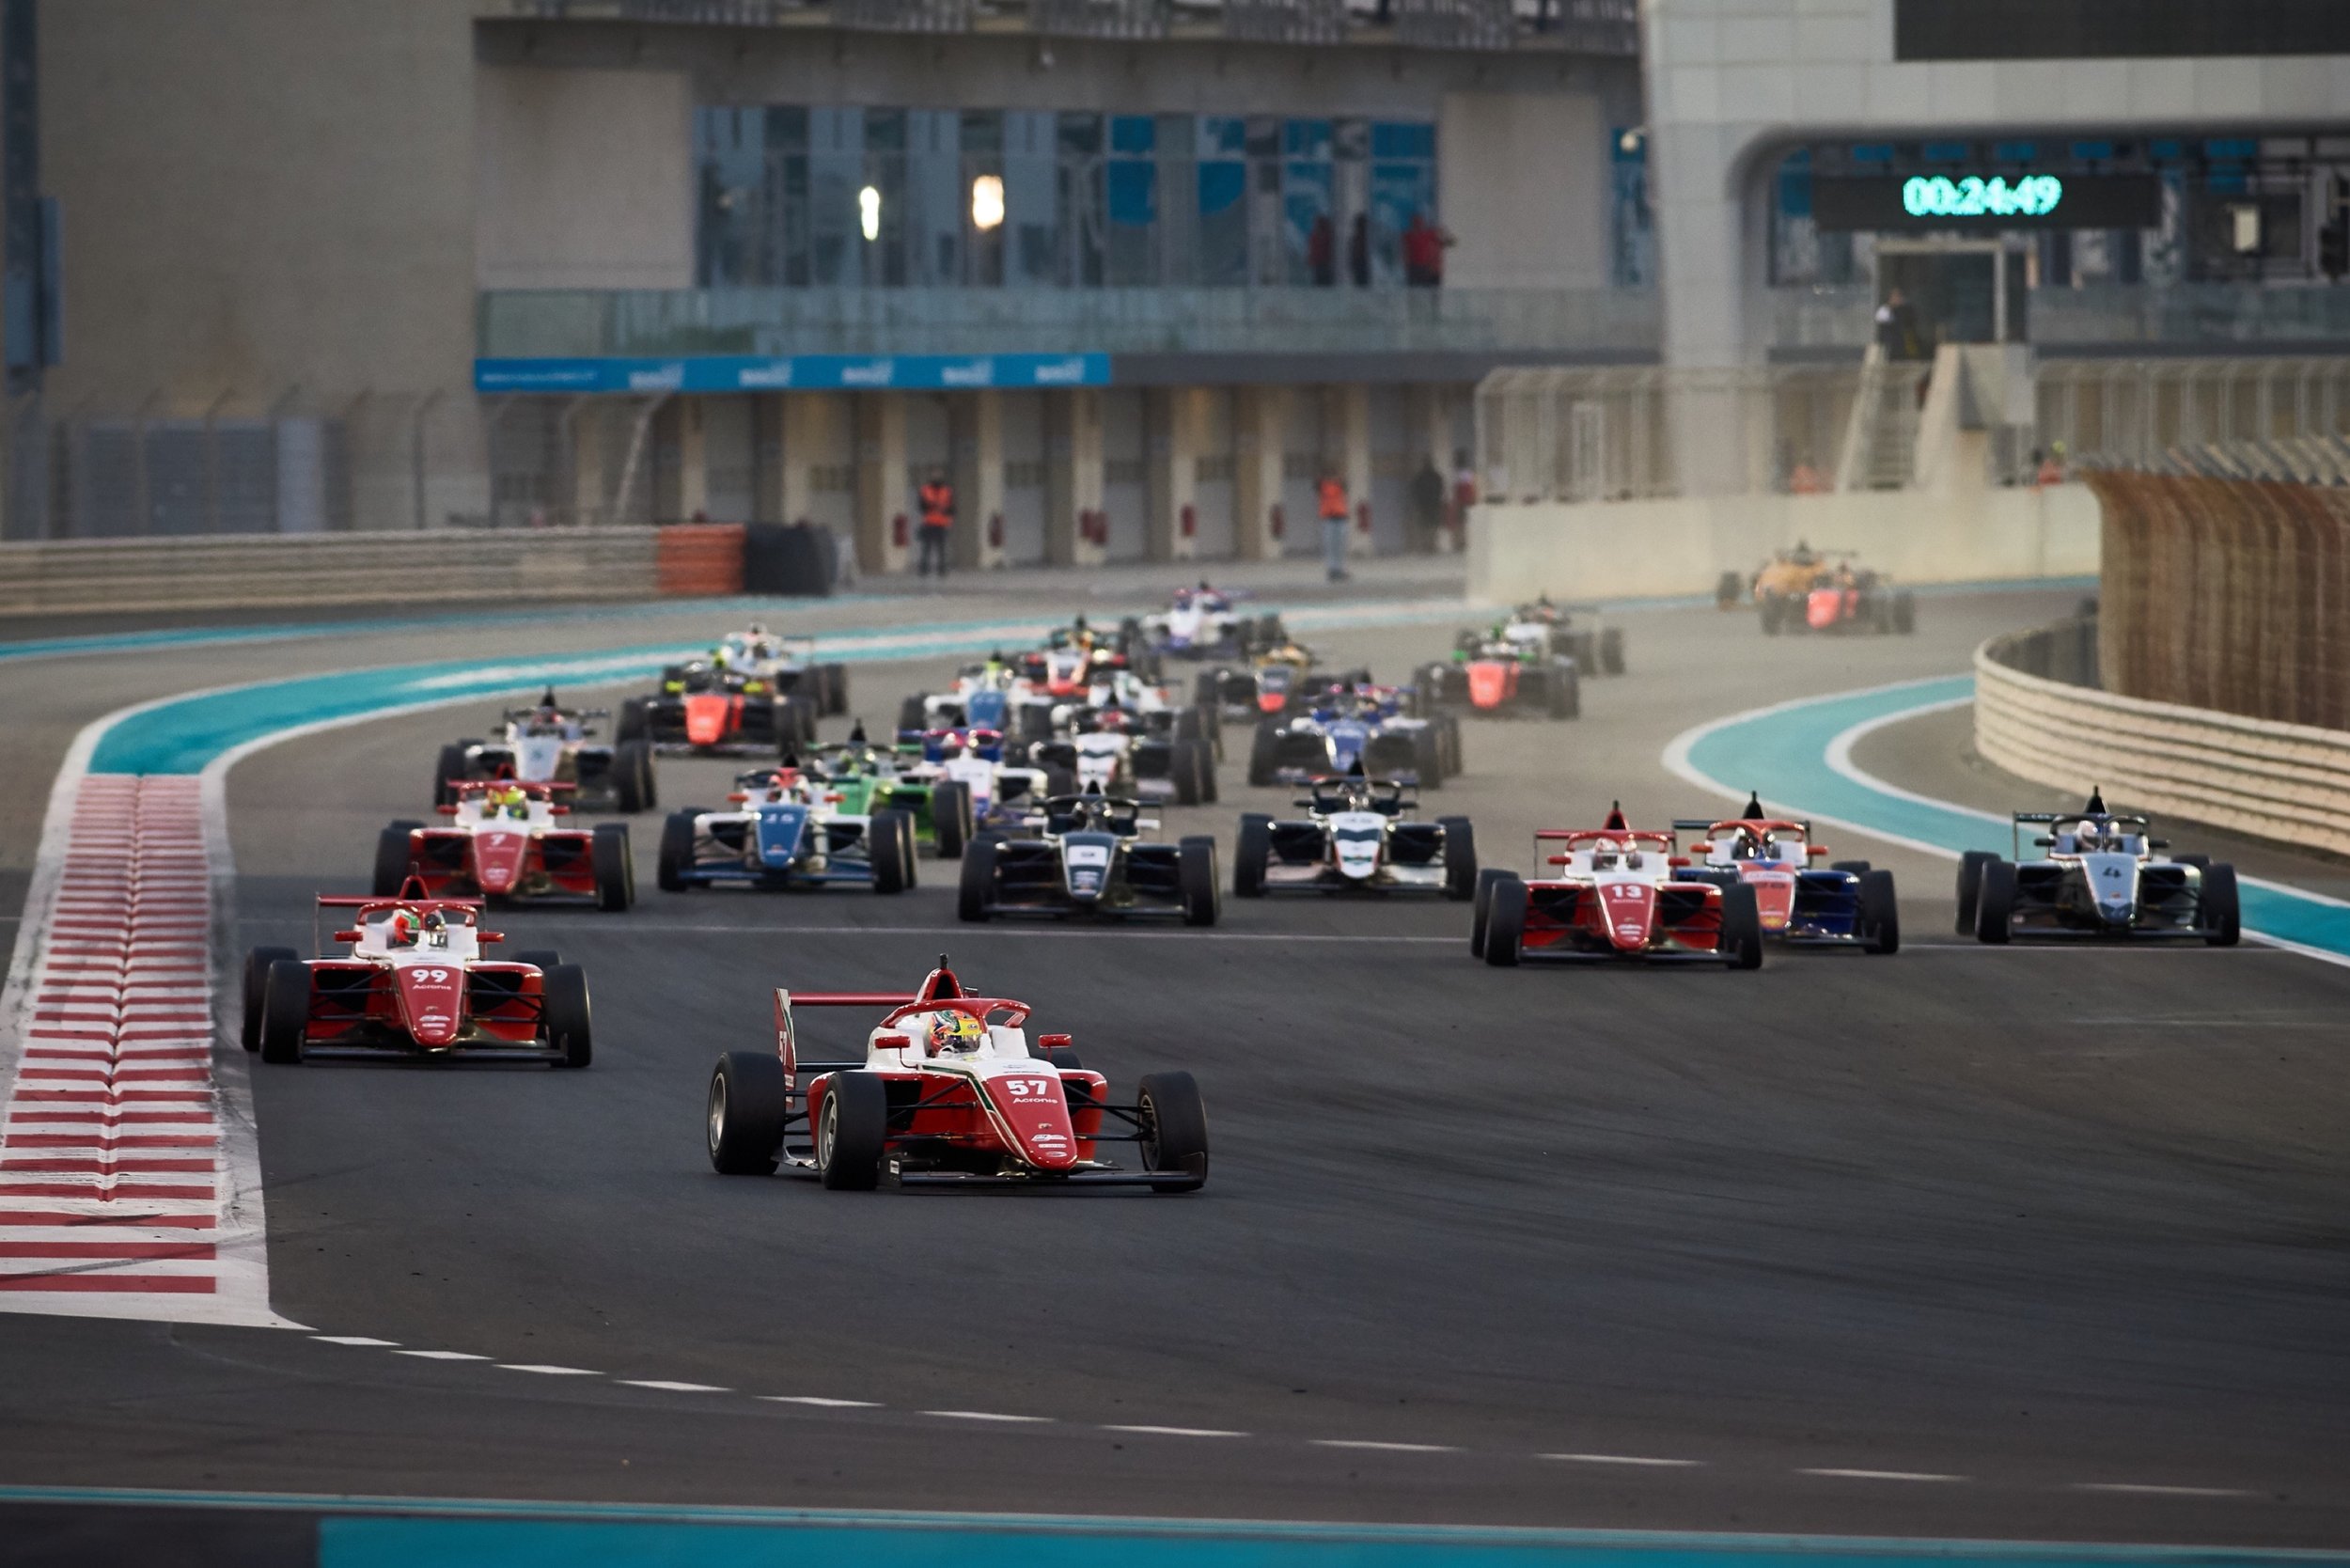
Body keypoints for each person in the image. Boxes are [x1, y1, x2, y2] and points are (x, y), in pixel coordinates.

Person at [916, 468, 955, 578]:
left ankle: (942, 569)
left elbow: (952, 508)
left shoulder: (947, 491)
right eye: (934, 475)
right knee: (926, 548)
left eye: (938, 475)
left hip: (942, 524)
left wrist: (947, 514)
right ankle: (924, 569)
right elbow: (921, 506)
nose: (936, 477)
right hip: (929, 522)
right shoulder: (925, 490)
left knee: (942, 548)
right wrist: (932, 506)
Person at [1316, 469, 1351, 583]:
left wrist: (1340, 477)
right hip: (1329, 518)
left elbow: (1345, 484)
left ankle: (1339, 569)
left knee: (1340, 546)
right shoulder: (1323, 486)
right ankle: (1332, 569)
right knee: (1331, 545)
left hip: (1340, 517)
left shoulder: (1339, 486)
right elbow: (1317, 483)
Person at [1409, 455, 1446, 555]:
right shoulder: (1436, 477)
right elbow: (1441, 489)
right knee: (1433, 526)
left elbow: (1415, 491)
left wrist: (1417, 501)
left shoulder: (1420, 477)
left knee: (1424, 526)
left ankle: (1426, 546)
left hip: (1423, 505)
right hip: (1434, 504)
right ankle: (1431, 545)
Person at [1449, 448, 1477, 550]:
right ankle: (1462, 542)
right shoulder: (1467, 473)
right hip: (1465, 501)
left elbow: (1459, 489)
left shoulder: (1459, 473)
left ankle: (1461, 542)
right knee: (1463, 523)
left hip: (1461, 501)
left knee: (1460, 523)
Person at [1308, 213, 1335, 287]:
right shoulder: (1315, 236)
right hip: (1318, 264)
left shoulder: (1327, 235)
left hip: (1325, 264)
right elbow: (1312, 249)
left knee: (1324, 281)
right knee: (1318, 281)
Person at [1347, 212, 1371, 288]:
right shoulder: (1357, 238)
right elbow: (1353, 251)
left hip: (1361, 262)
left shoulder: (1364, 237)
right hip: (1359, 262)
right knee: (1360, 284)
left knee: (1362, 284)